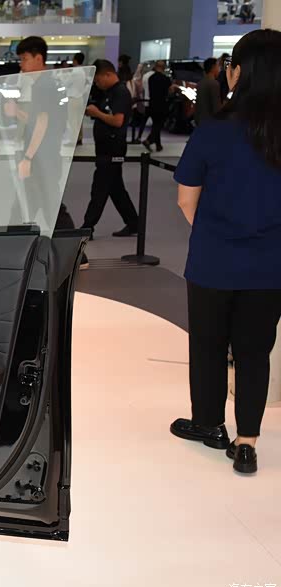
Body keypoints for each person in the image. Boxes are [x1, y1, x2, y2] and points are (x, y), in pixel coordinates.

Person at [169, 29, 281, 475]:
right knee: (255, 351)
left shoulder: (214, 130)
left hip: (214, 259)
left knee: (209, 345)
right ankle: (247, 441)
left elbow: (186, 199)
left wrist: (218, 232)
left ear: (238, 72)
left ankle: (210, 424)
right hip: (271, 265)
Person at [11, 36, 76, 234]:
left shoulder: (44, 86)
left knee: (50, 207)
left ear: (38, 58)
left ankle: (72, 248)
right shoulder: (46, 84)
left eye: (24, 59)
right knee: (37, 205)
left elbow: (42, 123)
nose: (21, 65)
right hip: (44, 156)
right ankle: (15, 241)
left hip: (42, 157)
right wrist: (17, 112)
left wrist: (28, 158)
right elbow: (38, 119)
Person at [82, 60, 140, 238]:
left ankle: (87, 227)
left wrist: (97, 113)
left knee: (99, 188)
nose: (97, 83)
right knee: (115, 189)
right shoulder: (109, 92)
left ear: (107, 74)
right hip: (105, 147)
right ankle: (134, 223)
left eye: (98, 80)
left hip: (112, 149)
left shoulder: (120, 92)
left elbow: (117, 121)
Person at [143, 60, 172, 152]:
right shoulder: (165, 79)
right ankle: (149, 140)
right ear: (163, 68)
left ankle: (158, 145)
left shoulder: (151, 78)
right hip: (161, 104)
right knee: (158, 125)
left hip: (152, 104)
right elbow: (169, 92)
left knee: (156, 124)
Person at [194, 57, 222, 126]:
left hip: (200, 122)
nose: (219, 69)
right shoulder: (214, 84)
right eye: (218, 66)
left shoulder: (200, 83)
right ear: (213, 67)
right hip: (210, 123)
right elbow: (216, 108)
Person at [127, 63, 147, 143]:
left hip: (139, 102)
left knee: (139, 120)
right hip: (137, 102)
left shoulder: (140, 79)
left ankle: (137, 137)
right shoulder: (135, 80)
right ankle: (136, 138)